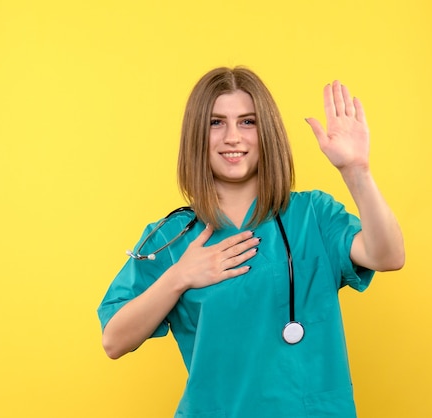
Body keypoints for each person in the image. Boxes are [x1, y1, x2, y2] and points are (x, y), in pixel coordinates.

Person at [97, 66, 405, 417]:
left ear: (266, 133)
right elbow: (114, 340)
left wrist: (356, 171)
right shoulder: (174, 237)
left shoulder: (312, 215)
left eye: (247, 122)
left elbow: (389, 255)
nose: (232, 137)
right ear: (196, 134)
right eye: (216, 123)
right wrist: (179, 276)